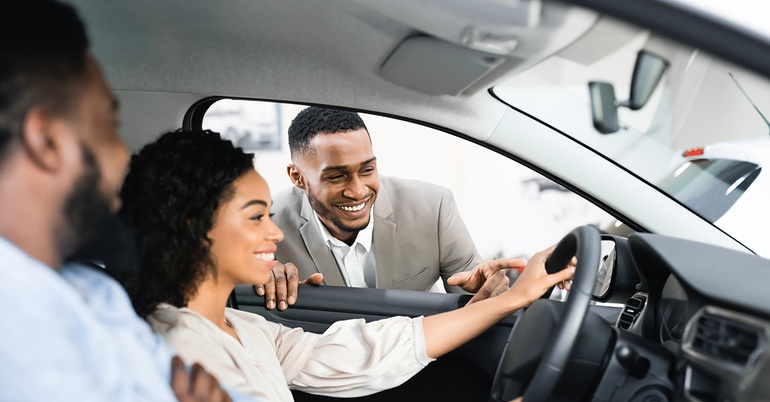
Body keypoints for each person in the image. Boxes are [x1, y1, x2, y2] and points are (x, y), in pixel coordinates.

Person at [117, 128, 575, 401]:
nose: (274, 233)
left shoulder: (243, 328)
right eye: (256, 218)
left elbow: (362, 350)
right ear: (196, 226)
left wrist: (510, 298)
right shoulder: (180, 353)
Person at [0, 1, 251, 400]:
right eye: (108, 128)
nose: (123, 155)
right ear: (46, 140)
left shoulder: (96, 294)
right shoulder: (15, 325)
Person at [273, 106, 519, 301]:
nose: (358, 191)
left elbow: (476, 300)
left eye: (367, 169)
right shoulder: (265, 226)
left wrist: (486, 292)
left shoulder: (433, 209)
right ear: (298, 177)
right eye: (337, 176)